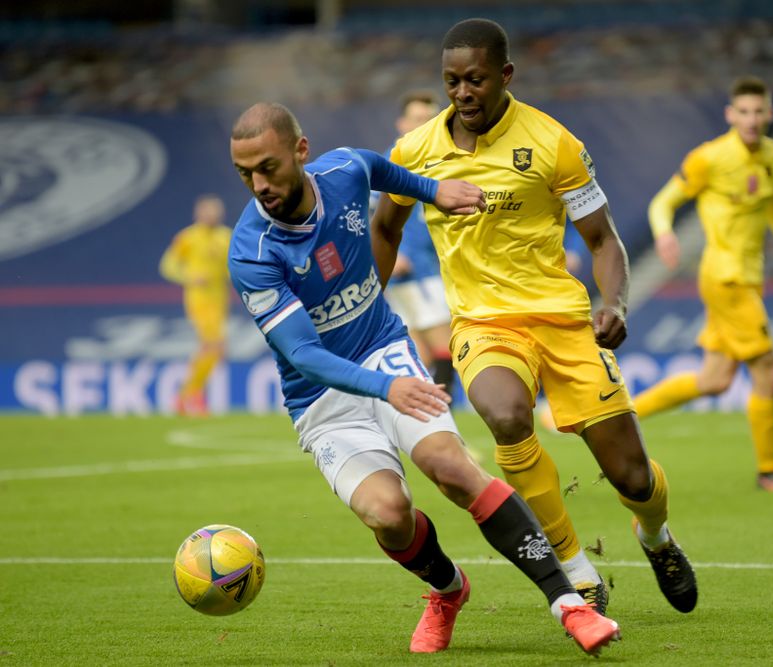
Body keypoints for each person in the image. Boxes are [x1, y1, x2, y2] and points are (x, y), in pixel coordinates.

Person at [226, 102, 620, 656]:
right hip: (322, 398)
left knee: (451, 468)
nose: (259, 184)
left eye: (268, 167)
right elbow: (305, 355)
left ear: (301, 150)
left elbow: (379, 167)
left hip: (383, 350)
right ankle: (448, 589)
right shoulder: (253, 253)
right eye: (245, 174)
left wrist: (434, 191)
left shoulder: (344, 171)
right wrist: (385, 389)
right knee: (388, 515)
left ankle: (569, 604)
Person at [372, 18, 698, 616]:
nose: (463, 93)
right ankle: (576, 570)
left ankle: (657, 537)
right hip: (483, 324)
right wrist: (367, 303)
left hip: (565, 323)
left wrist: (614, 303)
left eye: (475, 80)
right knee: (504, 413)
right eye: (451, 82)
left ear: (505, 75)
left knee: (633, 480)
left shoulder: (553, 143)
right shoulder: (414, 153)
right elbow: (385, 227)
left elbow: (602, 240)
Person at [632, 75, 773, 492]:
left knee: (714, 380)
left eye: (759, 111)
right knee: (770, 371)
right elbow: (663, 202)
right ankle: (769, 471)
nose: (752, 119)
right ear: (730, 115)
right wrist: (664, 233)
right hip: (725, 278)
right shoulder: (710, 158)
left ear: (770, 113)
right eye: (744, 112)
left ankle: (622, 416)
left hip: (749, 280)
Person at [378, 90, 455, 394]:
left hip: (437, 267)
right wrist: (391, 255)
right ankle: (441, 421)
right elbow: (372, 215)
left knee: (424, 351)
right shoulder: (389, 164)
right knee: (439, 345)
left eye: (429, 119)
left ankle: (428, 421)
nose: (423, 125)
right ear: (402, 123)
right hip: (413, 272)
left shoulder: (447, 161)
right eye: (417, 119)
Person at [159, 194, 232, 416]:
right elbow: (168, 266)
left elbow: (234, 265)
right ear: (197, 213)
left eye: (214, 211)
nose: (211, 215)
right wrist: (189, 277)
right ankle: (191, 394)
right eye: (206, 211)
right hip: (199, 299)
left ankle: (187, 396)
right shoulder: (188, 238)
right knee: (214, 345)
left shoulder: (226, 237)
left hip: (220, 298)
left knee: (214, 349)